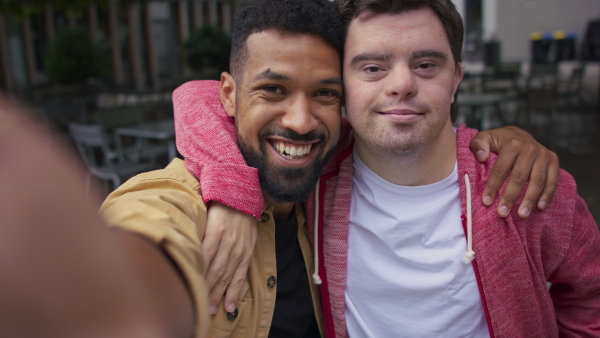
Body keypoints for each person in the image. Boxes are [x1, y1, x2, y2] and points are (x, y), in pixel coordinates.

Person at [177, 0, 600, 337]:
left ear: (457, 79)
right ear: (341, 85)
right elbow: (198, 99)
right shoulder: (315, 168)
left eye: (426, 65)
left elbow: (591, 299)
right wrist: (234, 192)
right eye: (373, 67)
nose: (401, 84)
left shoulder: (526, 184)